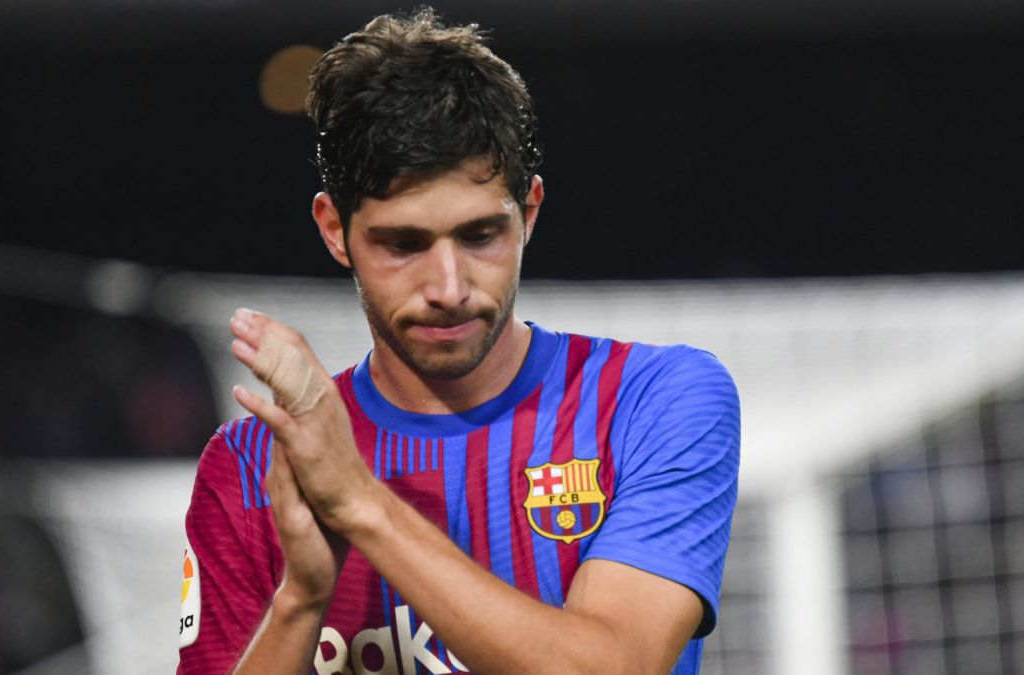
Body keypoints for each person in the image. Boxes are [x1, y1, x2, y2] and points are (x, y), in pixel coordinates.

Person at [177, 9, 739, 675]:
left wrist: (360, 505)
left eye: (479, 236)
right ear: (334, 230)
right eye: (403, 243)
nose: (448, 287)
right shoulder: (250, 466)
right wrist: (300, 601)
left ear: (529, 213)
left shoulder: (651, 401)